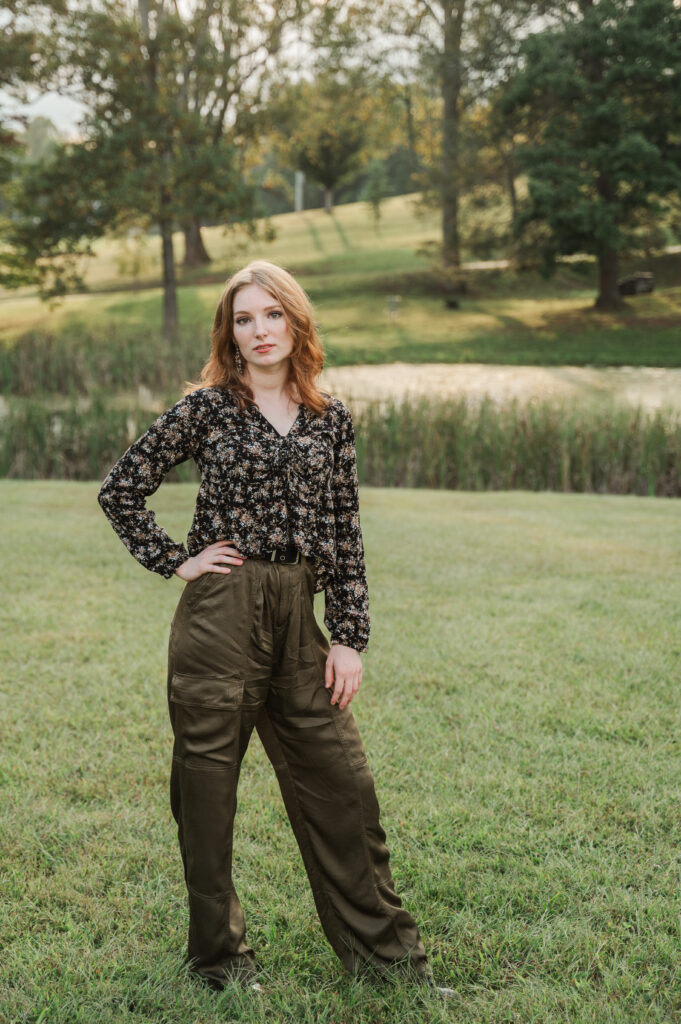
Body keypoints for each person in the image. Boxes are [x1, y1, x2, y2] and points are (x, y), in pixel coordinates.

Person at [97, 259, 451, 997]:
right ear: (228, 332)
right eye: (243, 318)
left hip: (299, 621)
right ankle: (219, 964)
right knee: (206, 795)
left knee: (343, 789)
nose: (259, 331)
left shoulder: (330, 417)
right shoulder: (205, 409)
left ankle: (391, 968)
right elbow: (121, 489)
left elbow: (344, 529)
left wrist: (348, 635)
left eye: (272, 315)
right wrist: (176, 560)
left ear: (296, 321)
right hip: (220, 616)